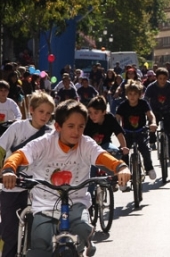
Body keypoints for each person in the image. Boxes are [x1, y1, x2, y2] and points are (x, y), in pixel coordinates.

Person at [1, 100, 131, 257]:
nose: (76, 131)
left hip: (76, 203)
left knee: (82, 225)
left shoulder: (86, 144)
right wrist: (9, 170)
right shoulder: (44, 143)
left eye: (81, 126)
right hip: (45, 206)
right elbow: (19, 155)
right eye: (70, 126)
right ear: (58, 127)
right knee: (40, 246)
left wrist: (121, 167)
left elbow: (103, 157)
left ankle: (87, 241)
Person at [0, 91, 54, 257]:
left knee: (38, 235)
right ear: (31, 109)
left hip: (38, 189)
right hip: (12, 187)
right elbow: (1, 149)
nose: (44, 116)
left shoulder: (50, 134)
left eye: (48, 113)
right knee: (9, 233)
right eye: (41, 111)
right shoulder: (18, 127)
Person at [84, 96, 130, 193]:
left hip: (105, 145)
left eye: (96, 113)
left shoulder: (109, 118)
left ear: (104, 112)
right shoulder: (87, 121)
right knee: (91, 172)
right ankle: (90, 197)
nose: (92, 116)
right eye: (90, 113)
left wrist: (123, 147)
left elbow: (119, 133)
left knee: (116, 152)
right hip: (91, 149)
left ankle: (116, 178)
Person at [116, 80, 158, 181]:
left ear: (139, 94)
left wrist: (153, 123)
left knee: (145, 149)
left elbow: (150, 115)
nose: (132, 96)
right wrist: (116, 128)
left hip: (141, 131)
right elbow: (117, 118)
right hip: (127, 132)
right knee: (123, 152)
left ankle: (149, 168)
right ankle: (123, 176)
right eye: (130, 94)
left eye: (135, 94)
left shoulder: (143, 103)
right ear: (126, 94)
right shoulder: (123, 105)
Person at [144, 68, 170, 170]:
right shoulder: (151, 87)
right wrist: (145, 110)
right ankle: (152, 141)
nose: (162, 81)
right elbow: (146, 100)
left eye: (164, 78)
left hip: (168, 111)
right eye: (160, 78)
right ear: (156, 78)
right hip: (154, 111)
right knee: (152, 126)